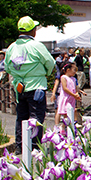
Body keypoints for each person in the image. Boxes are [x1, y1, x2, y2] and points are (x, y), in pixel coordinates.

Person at [5, 16, 55, 154]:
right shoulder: (37, 46)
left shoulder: (11, 47)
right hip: (36, 85)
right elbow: (50, 63)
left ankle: (20, 145)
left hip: (19, 86)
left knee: (21, 116)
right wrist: (44, 72)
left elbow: (7, 67)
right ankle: (34, 146)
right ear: (32, 30)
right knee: (36, 117)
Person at [55, 62, 86, 131]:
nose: (75, 72)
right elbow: (65, 88)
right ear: (68, 70)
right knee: (67, 111)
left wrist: (78, 92)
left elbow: (76, 88)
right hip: (65, 98)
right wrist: (74, 95)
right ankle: (69, 124)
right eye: (74, 70)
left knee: (70, 112)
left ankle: (64, 126)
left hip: (72, 98)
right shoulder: (63, 77)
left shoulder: (74, 79)